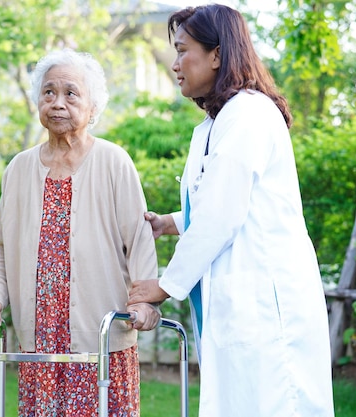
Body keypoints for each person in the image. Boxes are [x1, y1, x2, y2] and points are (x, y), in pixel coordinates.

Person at [127, 5, 335, 417]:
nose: (174, 64)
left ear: (217, 55)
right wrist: (169, 223)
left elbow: (222, 214)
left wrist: (165, 285)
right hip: (238, 301)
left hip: (265, 303)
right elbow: (221, 203)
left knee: (272, 404)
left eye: (184, 50)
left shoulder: (249, 114)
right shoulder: (213, 125)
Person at [0, 48, 161, 417]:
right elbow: (2, 247)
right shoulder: (18, 169)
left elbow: (139, 241)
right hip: (39, 345)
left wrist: (143, 302)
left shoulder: (113, 161)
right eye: (48, 92)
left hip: (100, 341)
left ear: (93, 108)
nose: (57, 102)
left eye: (71, 93)